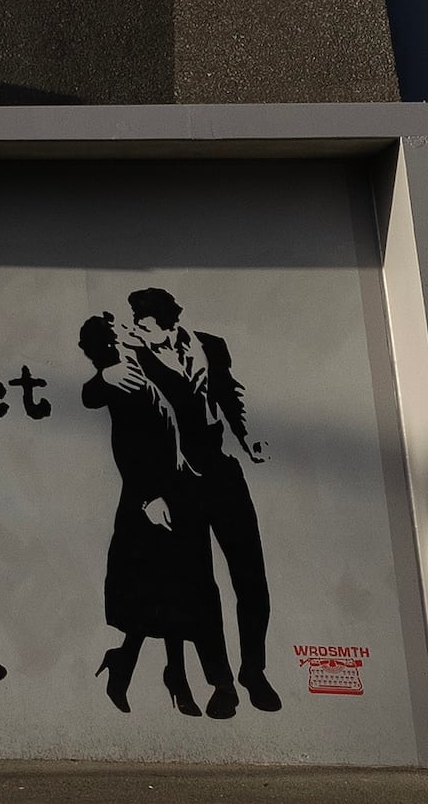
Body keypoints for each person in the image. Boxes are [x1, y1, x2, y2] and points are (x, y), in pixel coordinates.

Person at [126, 286, 281, 714]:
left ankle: (254, 670)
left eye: (147, 324)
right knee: (199, 586)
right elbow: (135, 431)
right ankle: (222, 682)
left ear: (168, 321)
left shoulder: (210, 346)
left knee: (250, 577)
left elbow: (229, 394)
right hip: (177, 482)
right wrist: (149, 495)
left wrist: (248, 439)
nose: (140, 331)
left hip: (222, 471)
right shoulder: (135, 361)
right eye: (137, 324)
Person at [76, 312, 225, 718]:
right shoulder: (120, 376)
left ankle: (145, 668)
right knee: (155, 589)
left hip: (173, 492)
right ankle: (166, 674)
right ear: (111, 343)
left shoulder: (142, 369)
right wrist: (147, 499)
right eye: (122, 329)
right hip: (148, 500)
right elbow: (125, 444)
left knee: (170, 589)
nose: (130, 330)